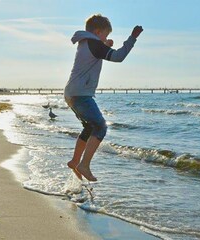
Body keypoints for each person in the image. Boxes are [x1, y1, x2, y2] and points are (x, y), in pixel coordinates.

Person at [64, 14, 143, 181]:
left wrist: (104, 43)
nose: (107, 38)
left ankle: (75, 161)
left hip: (72, 93)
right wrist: (132, 38)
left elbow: (96, 51)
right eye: (106, 35)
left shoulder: (86, 42)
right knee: (100, 126)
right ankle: (84, 165)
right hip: (80, 94)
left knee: (89, 128)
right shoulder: (94, 44)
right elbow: (118, 57)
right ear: (98, 32)